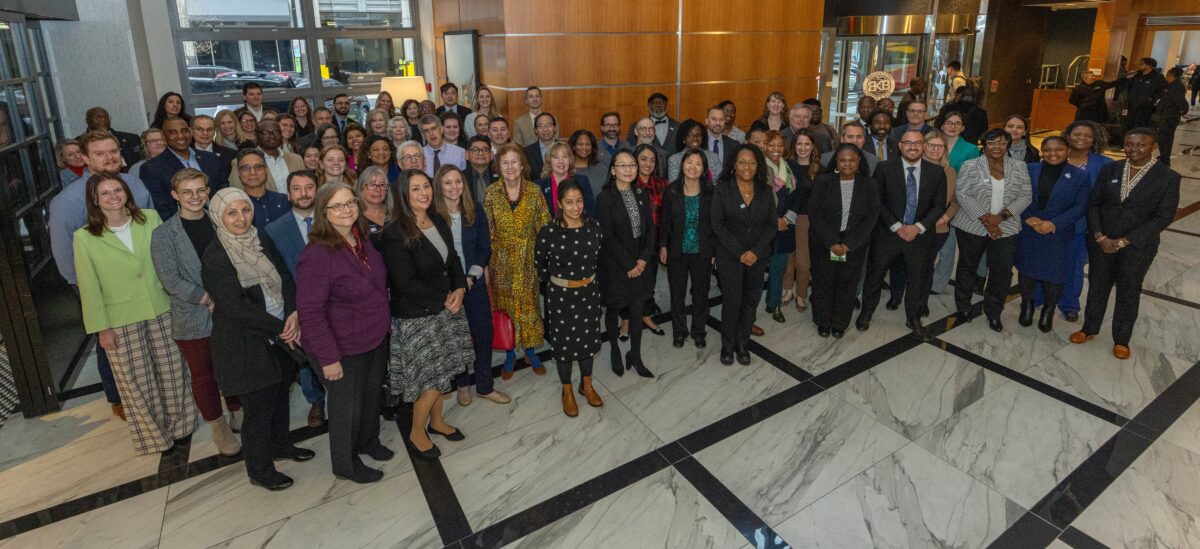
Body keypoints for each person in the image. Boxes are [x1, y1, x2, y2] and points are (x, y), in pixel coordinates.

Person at [75, 170, 199, 456]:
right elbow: (89, 288)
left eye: (118, 190)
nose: (113, 197)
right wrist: (101, 328)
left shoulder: (150, 219)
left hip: (161, 308)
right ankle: (154, 435)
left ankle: (181, 426)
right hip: (119, 320)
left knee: (173, 371)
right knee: (137, 381)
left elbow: (168, 261)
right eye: (105, 193)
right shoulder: (84, 238)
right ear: (94, 199)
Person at [202, 187, 310, 490]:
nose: (241, 218)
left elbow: (286, 278)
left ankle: (281, 446)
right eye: (232, 213)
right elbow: (235, 307)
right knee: (259, 408)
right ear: (218, 216)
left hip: (280, 332)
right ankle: (260, 470)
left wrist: (292, 313)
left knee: (280, 395)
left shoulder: (260, 237)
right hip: (246, 342)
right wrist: (280, 327)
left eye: (245, 210)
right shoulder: (216, 255)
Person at [48, 131, 155, 419]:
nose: (109, 157)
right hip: (99, 286)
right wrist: (83, 289)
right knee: (109, 339)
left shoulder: (135, 185)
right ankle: (117, 397)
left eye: (113, 151)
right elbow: (63, 253)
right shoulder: (68, 201)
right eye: (99, 153)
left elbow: (151, 228)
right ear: (84, 157)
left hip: (143, 279)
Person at [295, 182, 392, 483]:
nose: (347, 209)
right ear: (324, 212)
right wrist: (328, 358)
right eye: (338, 206)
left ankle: (368, 441)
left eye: (350, 202)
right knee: (345, 408)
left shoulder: (359, 238)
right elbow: (310, 312)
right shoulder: (318, 254)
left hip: (373, 336)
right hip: (341, 345)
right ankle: (345, 463)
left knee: (369, 396)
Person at [381, 169, 471, 460]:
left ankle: (437, 421)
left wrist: (459, 288)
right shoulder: (394, 232)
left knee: (443, 372)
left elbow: (453, 260)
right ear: (404, 195)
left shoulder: (438, 220)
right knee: (430, 380)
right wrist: (445, 300)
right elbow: (404, 282)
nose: (424, 193)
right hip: (418, 317)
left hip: (447, 307)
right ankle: (417, 431)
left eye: (426, 187)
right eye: (416, 189)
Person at [150, 168, 241, 457]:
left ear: (208, 190)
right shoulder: (164, 234)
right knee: (204, 375)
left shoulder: (220, 222)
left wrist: (228, 297)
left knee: (234, 364)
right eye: (187, 192)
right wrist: (206, 298)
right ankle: (218, 426)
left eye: (200, 190)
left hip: (230, 310)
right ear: (175, 195)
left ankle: (238, 411)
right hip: (193, 316)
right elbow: (170, 280)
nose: (195, 197)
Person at [1071, 128, 1180, 360]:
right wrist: (1099, 236)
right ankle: (1089, 328)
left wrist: (1125, 241)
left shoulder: (1168, 177)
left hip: (1137, 246)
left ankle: (1121, 339)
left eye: (1141, 145)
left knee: (1128, 290)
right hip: (1102, 242)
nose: (1134, 149)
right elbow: (1094, 204)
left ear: (1153, 147)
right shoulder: (1111, 168)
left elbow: (1164, 217)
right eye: (1129, 144)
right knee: (1098, 285)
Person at [857, 130, 947, 341]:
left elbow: (939, 205)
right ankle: (866, 313)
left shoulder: (936, 172)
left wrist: (918, 227)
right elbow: (877, 201)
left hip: (920, 236)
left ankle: (913, 319)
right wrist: (897, 226)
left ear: (924, 146)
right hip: (888, 234)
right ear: (900, 146)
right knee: (875, 275)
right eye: (908, 143)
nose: (913, 147)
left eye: (917, 143)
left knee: (917, 278)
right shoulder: (884, 168)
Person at [433, 165, 510, 406]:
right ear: (439, 186)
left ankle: (485, 386)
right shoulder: (431, 215)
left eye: (458, 181)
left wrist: (470, 278)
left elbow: (484, 248)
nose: (454, 187)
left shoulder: (475, 210)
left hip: (473, 283)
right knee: (458, 339)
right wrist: (453, 284)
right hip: (446, 289)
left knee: (484, 334)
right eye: (448, 182)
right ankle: (463, 384)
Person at [950, 129, 1032, 331]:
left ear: (1008, 145)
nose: (997, 147)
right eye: (992, 143)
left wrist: (1000, 218)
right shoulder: (970, 166)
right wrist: (987, 220)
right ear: (983, 144)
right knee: (967, 267)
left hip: (1007, 227)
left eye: (1002, 143)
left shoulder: (1019, 167)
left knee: (1002, 271)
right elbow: (963, 194)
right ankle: (963, 306)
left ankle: (994, 311)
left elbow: (1026, 196)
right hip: (972, 225)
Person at [262, 170, 327, 427]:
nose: (304, 193)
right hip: (299, 303)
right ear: (288, 194)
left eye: (309, 187)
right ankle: (316, 400)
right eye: (297, 189)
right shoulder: (274, 230)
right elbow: (276, 273)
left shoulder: (333, 219)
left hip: (336, 300)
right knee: (307, 356)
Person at [536, 180, 604, 416]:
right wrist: (558, 284)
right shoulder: (549, 232)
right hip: (561, 297)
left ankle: (587, 385)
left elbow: (599, 258)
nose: (575, 207)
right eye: (569, 202)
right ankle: (567, 390)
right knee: (564, 346)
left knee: (588, 342)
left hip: (589, 293)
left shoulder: (594, 226)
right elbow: (540, 265)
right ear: (559, 204)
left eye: (579, 201)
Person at [483, 144, 551, 378]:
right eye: (505, 163)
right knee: (506, 309)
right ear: (498, 167)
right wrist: (486, 267)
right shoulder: (491, 193)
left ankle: (531, 351)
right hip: (500, 263)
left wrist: (544, 262)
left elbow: (545, 228)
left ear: (522, 165)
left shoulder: (534, 192)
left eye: (514, 162)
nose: (510, 167)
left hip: (528, 261)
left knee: (530, 307)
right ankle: (510, 353)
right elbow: (487, 231)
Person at [1014, 136, 1089, 333]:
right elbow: (1015, 196)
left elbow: (1081, 206)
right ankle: (1028, 305)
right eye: (1047, 149)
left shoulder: (1079, 176)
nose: (1052, 154)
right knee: (1026, 271)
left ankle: (1048, 309)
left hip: (1059, 234)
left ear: (1067, 151)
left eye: (1058, 150)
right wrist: (1026, 218)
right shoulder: (1029, 169)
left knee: (1054, 275)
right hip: (1029, 230)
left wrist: (1054, 224)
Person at [712, 144, 777, 362]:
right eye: (742, 162)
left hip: (757, 258)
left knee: (750, 300)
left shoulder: (766, 191)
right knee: (732, 301)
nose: (746, 166)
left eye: (751, 162)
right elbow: (718, 224)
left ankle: (742, 344)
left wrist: (755, 252)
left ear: (758, 165)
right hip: (730, 256)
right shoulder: (722, 189)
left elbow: (771, 226)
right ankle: (727, 346)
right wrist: (741, 252)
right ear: (733, 164)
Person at [807, 144, 881, 339]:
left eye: (852, 160)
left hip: (854, 244)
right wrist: (832, 242)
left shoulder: (869, 184)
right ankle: (822, 321)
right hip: (824, 243)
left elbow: (872, 216)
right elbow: (814, 213)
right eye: (842, 160)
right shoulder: (823, 181)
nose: (847, 163)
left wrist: (848, 244)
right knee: (823, 282)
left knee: (847, 284)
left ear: (858, 163)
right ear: (836, 163)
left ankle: (840, 323)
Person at [596, 149, 656, 377]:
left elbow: (650, 229)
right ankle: (613, 348)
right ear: (613, 171)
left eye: (632, 164)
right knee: (614, 308)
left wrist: (642, 260)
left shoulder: (641, 192)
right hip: (615, 265)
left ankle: (635, 354)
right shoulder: (605, 198)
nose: (628, 169)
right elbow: (607, 237)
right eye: (622, 165)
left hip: (641, 262)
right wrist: (629, 264)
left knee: (637, 308)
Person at [1056, 121, 1113, 321]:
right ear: (1068, 135)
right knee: (1046, 258)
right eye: (1077, 134)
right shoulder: (1056, 155)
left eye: (1087, 136)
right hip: (1053, 220)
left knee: (1075, 264)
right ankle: (1039, 296)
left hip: (1083, 224)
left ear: (1094, 139)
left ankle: (1069, 303)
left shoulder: (1105, 164)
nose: (1081, 138)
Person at [659, 148, 714, 348]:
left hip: (702, 252)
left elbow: (716, 225)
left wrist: (714, 251)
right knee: (677, 294)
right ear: (682, 165)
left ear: (704, 168)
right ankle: (680, 331)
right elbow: (665, 221)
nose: (693, 167)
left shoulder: (710, 192)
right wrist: (663, 245)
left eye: (698, 163)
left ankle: (699, 331)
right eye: (689, 162)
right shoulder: (672, 190)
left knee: (700, 294)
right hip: (677, 251)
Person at [141, 117, 228, 221]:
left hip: (221, 221)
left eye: (184, 131)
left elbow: (224, 191)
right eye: (173, 132)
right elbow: (163, 208)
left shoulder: (211, 158)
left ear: (190, 132)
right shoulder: (152, 168)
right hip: (184, 228)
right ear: (164, 137)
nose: (180, 136)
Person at [782, 130, 822, 313]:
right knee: (788, 257)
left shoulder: (819, 169)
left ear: (813, 146)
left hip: (806, 219)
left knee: (803, 261)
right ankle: (788, 290)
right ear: (794, 146)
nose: (803, 148)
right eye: (799, 144)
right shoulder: (786, 166)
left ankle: (801, 294)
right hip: (787, 216)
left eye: (807, 144)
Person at [762, 131, 797, 324]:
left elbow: (797, 197)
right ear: (765, 146)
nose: (776, 149)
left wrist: (786, 218)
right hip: (764, 225)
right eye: (771, 145)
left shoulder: (789, 167)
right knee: (757, 268)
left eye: (779, 145)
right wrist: (773, 220)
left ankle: (773, 304)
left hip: (785, 225)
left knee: (778, 267)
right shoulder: (758, 168)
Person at [924, 131, 962, 299]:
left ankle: (922, 300)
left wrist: (946, 218)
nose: (936, 149)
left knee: (928, 264)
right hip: (917, 227)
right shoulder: (914, 168)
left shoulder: (950, 172)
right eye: (932, 145)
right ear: (924, 146)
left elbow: (955, 201)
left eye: (940, 146)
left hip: (939, 227)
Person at [233, 149, 290, 230]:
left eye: (258, 167)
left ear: (266, 171)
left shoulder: (284, 201)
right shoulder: (234, 206)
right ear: (239, 173)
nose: (252, 172)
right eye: (246, 168)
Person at [536, 141, 595, 216]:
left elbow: (590, 211)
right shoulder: (539, 185)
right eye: (556, 157)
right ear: (549, 160)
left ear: (570, 160)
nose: (561, 161)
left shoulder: (582, 181)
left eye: (565, 157)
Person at [1156, 67, 1189, 166]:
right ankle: (1163, 156)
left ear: (1171, 75)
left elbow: (1180, 102)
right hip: (1167, 114)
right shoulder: (1172, 85)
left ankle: (1165, 159)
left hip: (1170, 116)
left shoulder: (1176, 87)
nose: (1166, 77)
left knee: (1166, 138)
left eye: (1167, 75)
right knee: (1163, 137)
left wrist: (1183, 111)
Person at [1123, 57, 1166, 132]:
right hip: (1132, 105)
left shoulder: (1157, 77)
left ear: (1149, 66)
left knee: (1141, 127)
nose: (1138, 65)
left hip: (1145, 107)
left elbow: (1162, 91)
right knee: (1128, 125)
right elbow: (1128, 86)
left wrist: (1152, 99)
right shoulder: (1136, 75)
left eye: (1141, 64)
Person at [569, 129, 608, 197]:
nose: (584, 148)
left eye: (588, 144)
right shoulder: (567, 170)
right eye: (580, 144)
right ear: (573, 147)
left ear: (592, 147)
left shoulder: (601, 168)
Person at [355, 165, 392, 237]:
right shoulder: (354, 216)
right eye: (372, 184)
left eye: (382, 185)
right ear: (361, 187)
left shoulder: (395, 212)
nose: (378, 190)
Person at [524, 112, 559, 180]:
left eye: (549, 125)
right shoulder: (527, 152)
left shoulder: (565, 148)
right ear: (535, 130)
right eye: (541, 126)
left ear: (555, 128)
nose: (545, 129)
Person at [705, 105, 739, 173]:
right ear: (707, 121)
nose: (718, 123)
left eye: (721, 119)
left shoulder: (734, 145)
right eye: (714, 119)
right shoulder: (699, 143)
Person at [465, 135, 498, 202]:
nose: (480, 153)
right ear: (466, 155)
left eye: (485, 150)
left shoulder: (501, 176)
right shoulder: (461, 178)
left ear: (491, 155)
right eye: (475, 150)